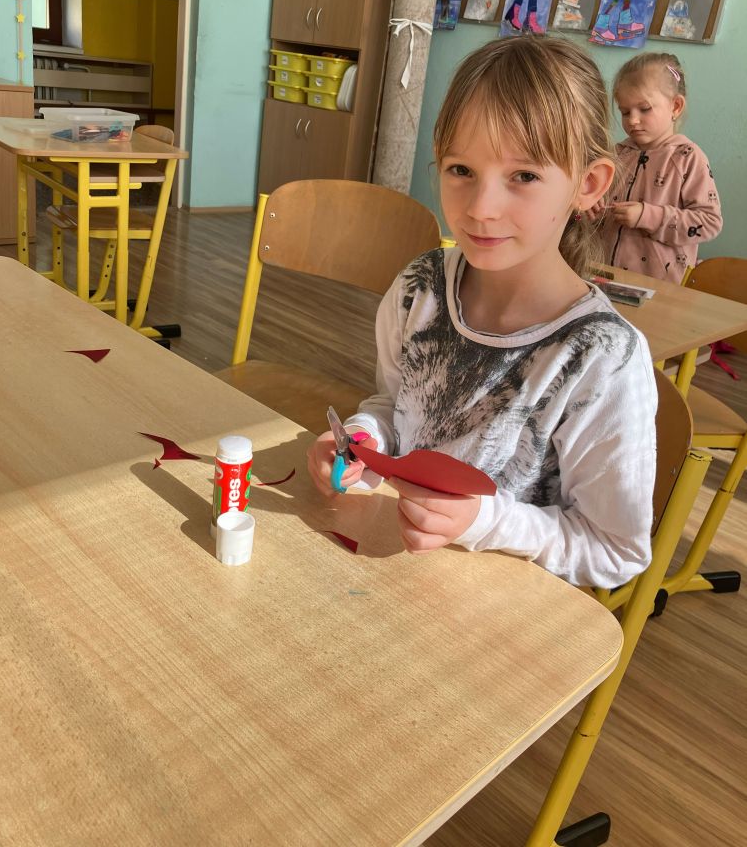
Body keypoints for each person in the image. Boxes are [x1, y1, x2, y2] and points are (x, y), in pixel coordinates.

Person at [307, 37, 657, 589]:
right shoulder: (419, 288)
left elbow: (615, 552)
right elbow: (396, 406)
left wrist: (484, 522)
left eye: (524, 176)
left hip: (501, 615)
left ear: (588, 185)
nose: (480, 208)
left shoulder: (603, 358)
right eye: (461, 169)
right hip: (389, 576)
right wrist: (363, 440)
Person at [594, 52, 721, 283]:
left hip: (659, 287)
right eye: (625, 112)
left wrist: (647, 216)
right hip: (604, 279)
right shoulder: (615, 154)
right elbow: (589, 208)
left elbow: (709, 222)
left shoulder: (688, 158)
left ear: (675, 106)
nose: (632, 120)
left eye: (644, 109)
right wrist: (590, 209)